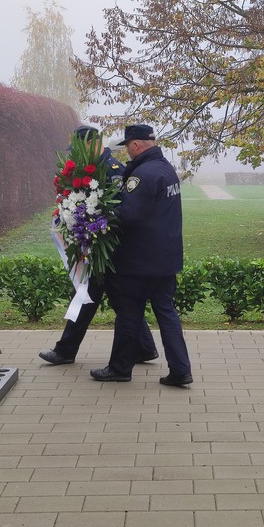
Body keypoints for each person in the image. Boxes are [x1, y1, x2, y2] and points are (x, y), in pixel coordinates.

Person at [40, 126, 158, 366]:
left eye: (79, 149)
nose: (76, 155)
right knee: (111, 299)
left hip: (110, 248)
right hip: (96, 248)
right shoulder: (90, 169)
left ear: (93, 145)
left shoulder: (114, 170)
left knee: (90, 296)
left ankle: (65, 351)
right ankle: (144, 347)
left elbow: (121, 210)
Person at [90, 124, 193, 386]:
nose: (126, 152)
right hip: (165, 258)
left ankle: (119, 369)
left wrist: (99, 218)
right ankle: (181, 370)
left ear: (136, 145)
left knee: (128, 313)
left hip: (139, 261)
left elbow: (129, 215)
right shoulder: (165, 169)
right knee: (167, 313)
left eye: (127, 147)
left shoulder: (142, 174)